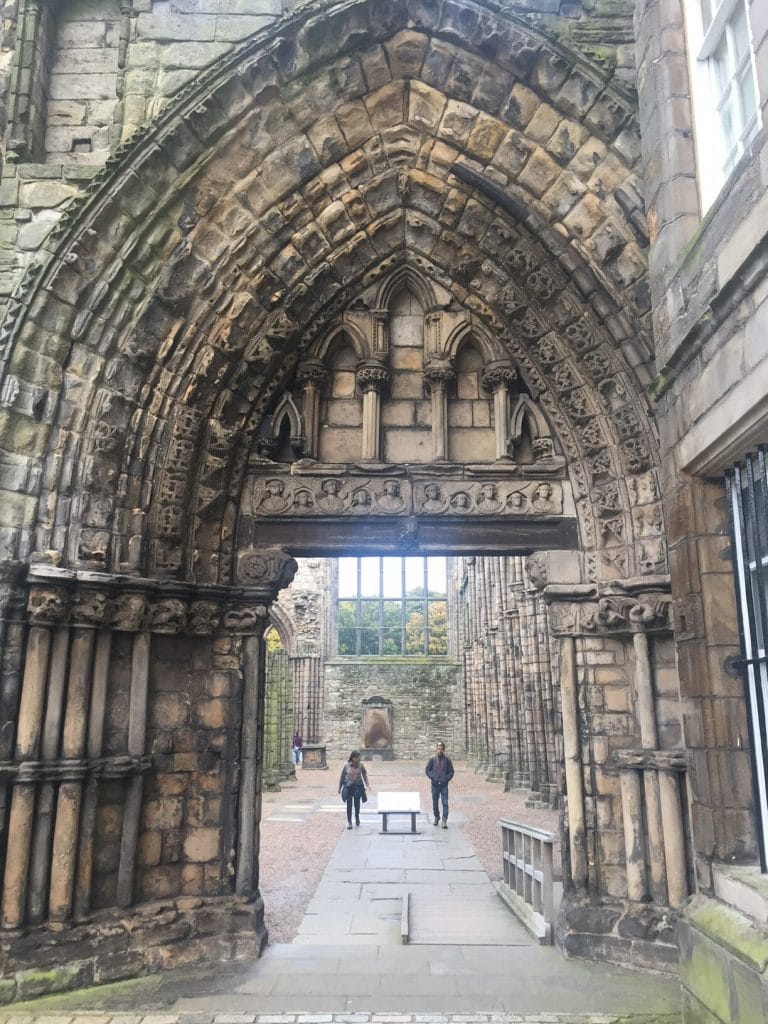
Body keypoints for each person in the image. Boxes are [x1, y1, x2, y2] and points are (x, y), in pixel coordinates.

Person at [425, 740, 454, 828]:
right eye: (438, 748)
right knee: (435, 802)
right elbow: (427, 770)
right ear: (436, 749)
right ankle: (437, 817)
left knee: (445, 802)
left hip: (444, 785)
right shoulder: (432, 760)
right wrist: (432, 777)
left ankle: (444, 819)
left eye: (441, 749)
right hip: (435, 785)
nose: (440, 750)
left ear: (443, 750)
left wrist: (446, 779)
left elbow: (451, 772)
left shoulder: (447, 760)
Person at [338, 750, 370, 828]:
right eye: (357, 757)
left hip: (358, 787)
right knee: (349, 805)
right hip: (348, 787)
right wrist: (339, 788)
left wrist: (367, 785)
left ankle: (357, 817)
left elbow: (364, 774)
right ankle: (349, 822)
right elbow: (342, 777)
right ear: (353, 758)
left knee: (357, 805)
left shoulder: (361, 766)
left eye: (359, 757)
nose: (359, 759)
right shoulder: (346, 766)